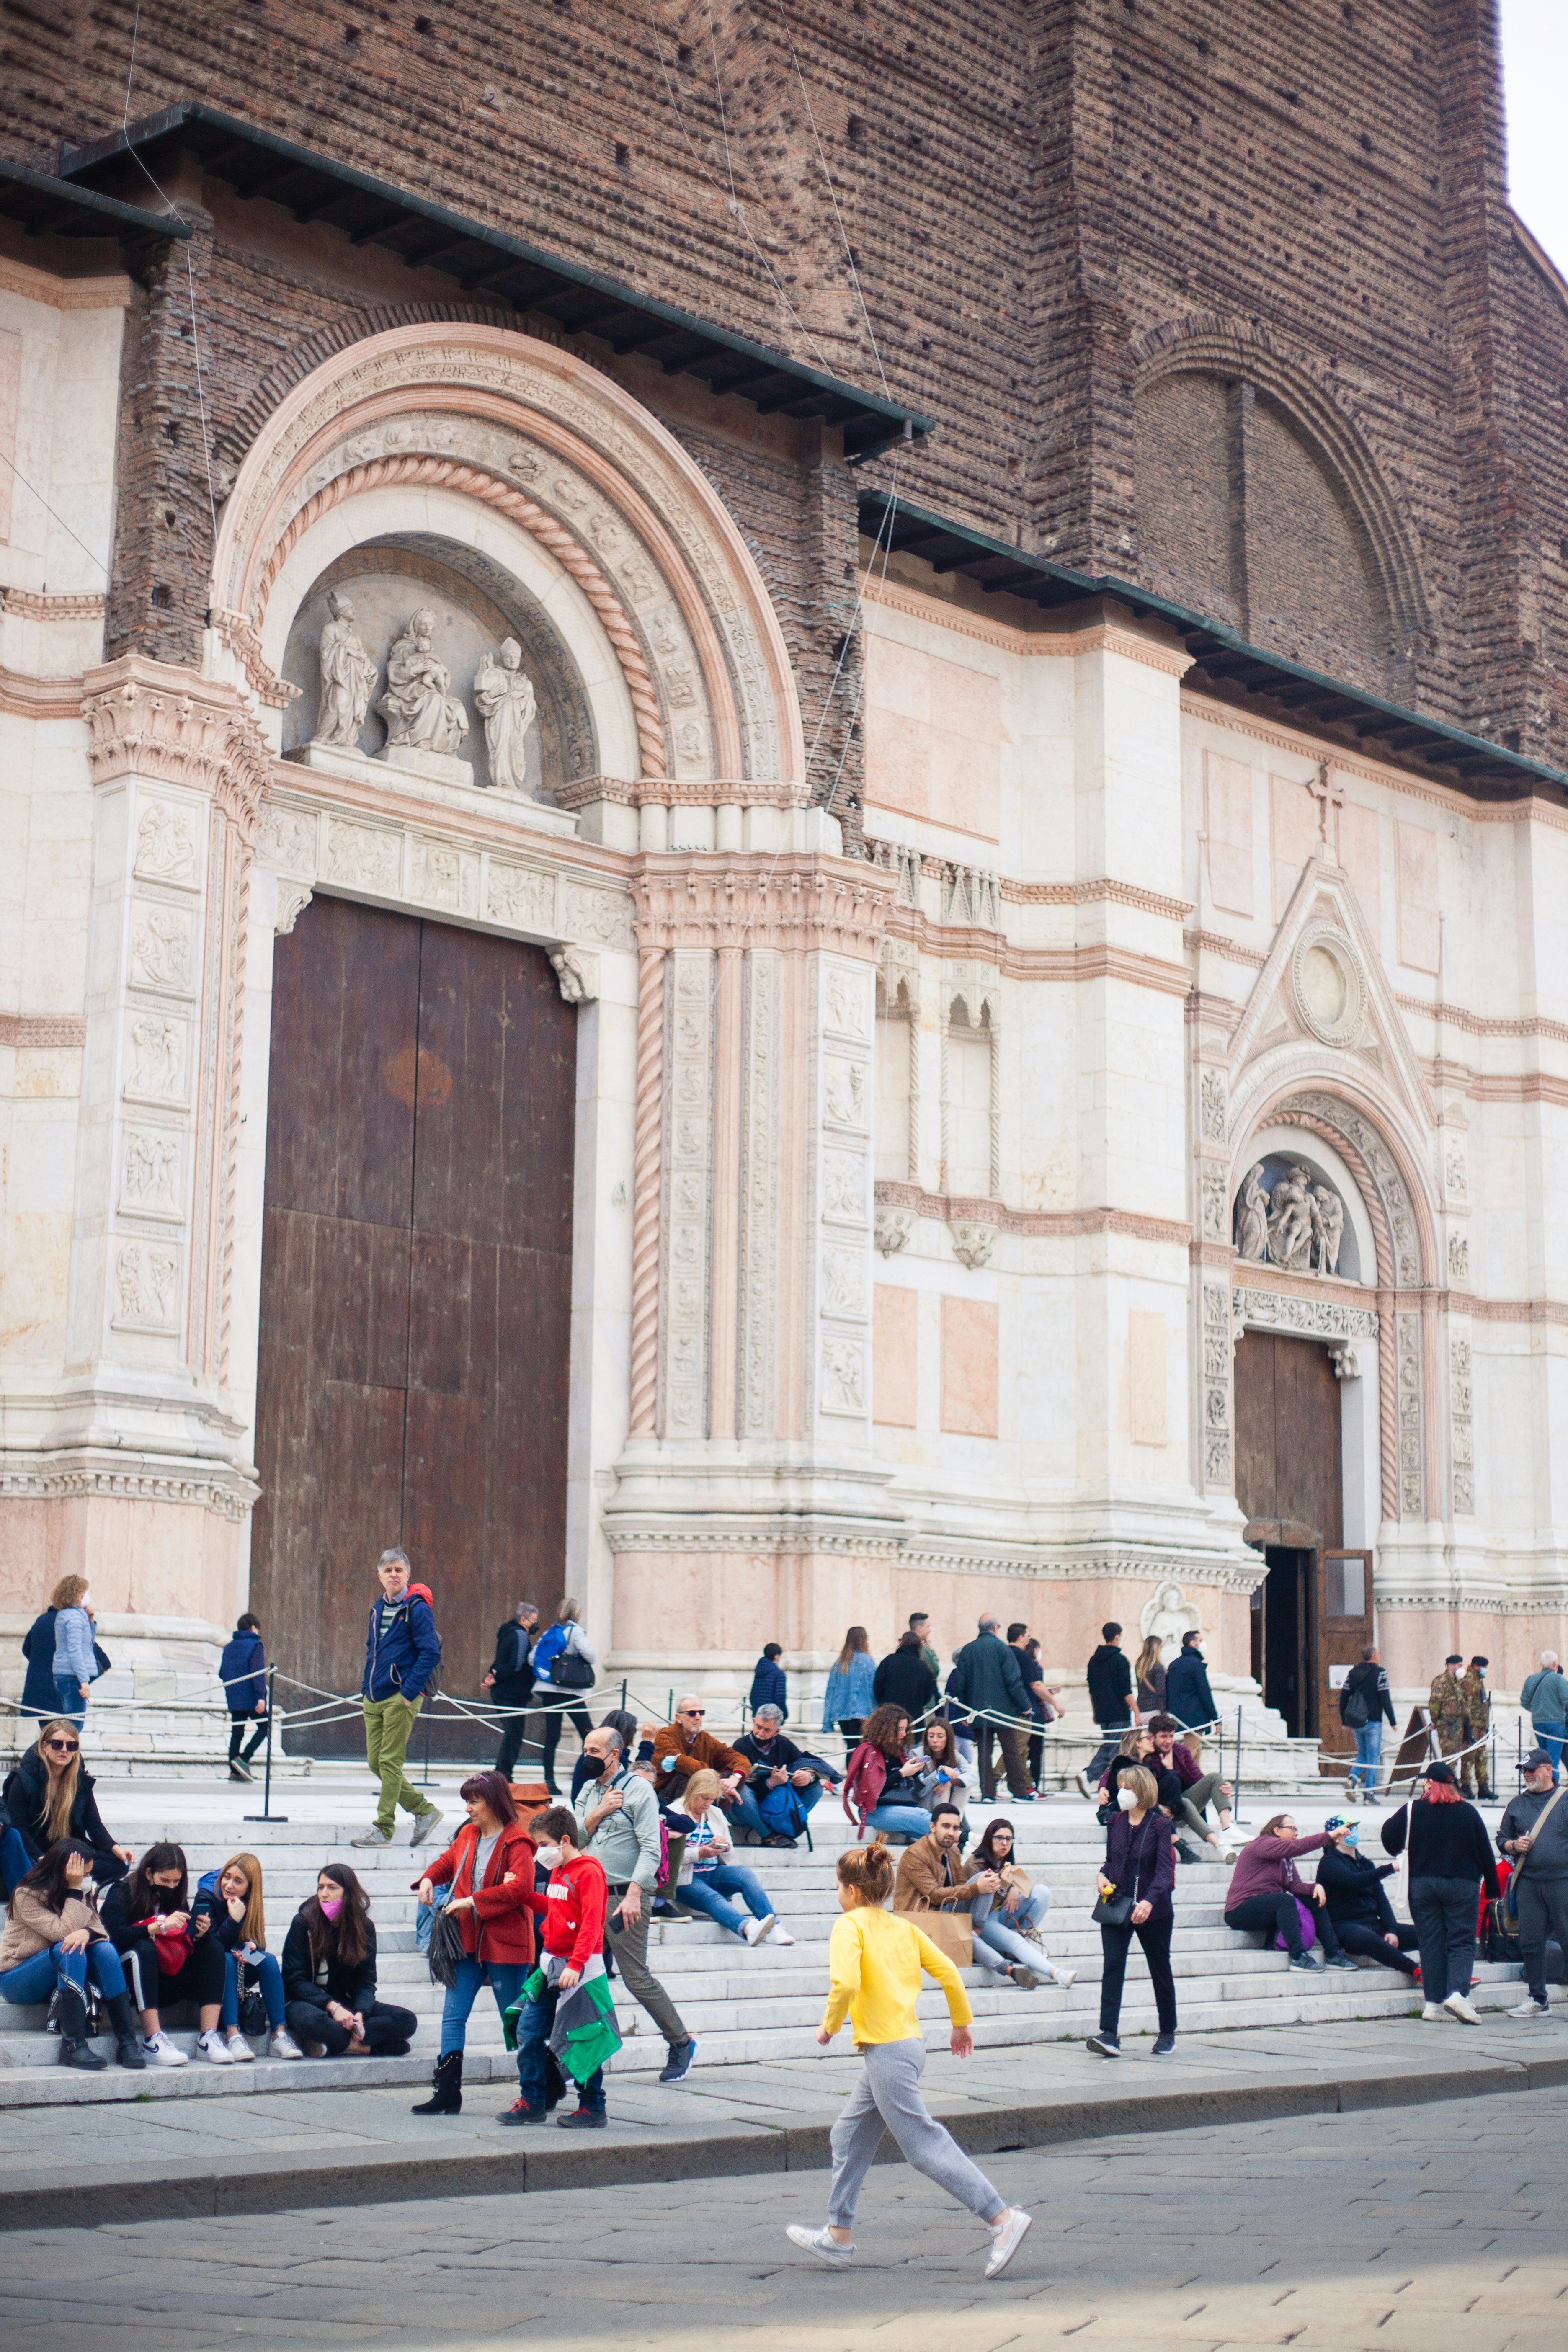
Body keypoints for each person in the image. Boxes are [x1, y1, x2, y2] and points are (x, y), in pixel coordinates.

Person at [786, 1839, 1032, 2278]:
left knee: (922, 2145)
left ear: (853, 1892)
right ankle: (838, 2236)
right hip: (907, 2046)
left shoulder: (849, 1926)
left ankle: (1001, 2218)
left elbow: (843, 1984)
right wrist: (960, 2024)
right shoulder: (903, 1926)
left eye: (838, 1886)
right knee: (848, 2135)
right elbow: (950, 1973)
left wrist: (829, 2026)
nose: (838, 1894)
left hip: (888, 2051)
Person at [570, 1725, 699, 2089]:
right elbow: (576, 1837)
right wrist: (599, 1812)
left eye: (596, 1751)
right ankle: (575, 2054)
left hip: (624, 1896)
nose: (588, 1756)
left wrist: (633, 1895)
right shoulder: (588, 1791)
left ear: (615, 1754)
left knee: (636, 1977)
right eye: (586, 1749)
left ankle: (682, 2043)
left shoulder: (640, 1789)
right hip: (589, 1893)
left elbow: (652, 1848)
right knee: (580, 1974)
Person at [411, 1771, 536, 2116]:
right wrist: (427, 1879)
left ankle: (538, 2090)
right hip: (465, 1940)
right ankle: (448, 2092)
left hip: (505, 1942)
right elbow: (446, 1863)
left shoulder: (518, 1841)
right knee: (453, 2016)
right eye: (466, 1801)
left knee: (515, 2019)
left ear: (494, 1802)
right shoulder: (468, 1834)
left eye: (474, 1801)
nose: (468, 1808)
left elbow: (522, 1889)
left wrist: (472, 1901)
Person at [0, 1839, 144, 2071]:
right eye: (82, 1873)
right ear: (63, 1870)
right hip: (17, 1978)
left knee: (105, 1950)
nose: (87, 1878)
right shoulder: (26, 1895)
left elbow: (101, 1932)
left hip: (60, 1971)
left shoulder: (81, 1889)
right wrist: (75, 1889)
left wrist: (87, 1932)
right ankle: (73, 2045)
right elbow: (63, 1933)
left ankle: (127, 2042)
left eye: (88, 1873)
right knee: (69, 1948)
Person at [512, 1804, 613, 2128]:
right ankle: (533, 2101)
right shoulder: (559, 1872)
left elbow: (592, 1924)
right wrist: (524, 1894)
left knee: (582, 2037)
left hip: (579, 1968)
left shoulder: (590, 1872)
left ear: (564, 1839)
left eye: (542, 1844)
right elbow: (554, 1907)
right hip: (552, 1964)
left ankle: (593, 2106)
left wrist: (577, 1964)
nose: (539, 1852)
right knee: (528, 2031)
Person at [1381, 1761, 1500, 2023]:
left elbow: (1389, 1838)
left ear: (1429, 1783)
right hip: (1462, 1885)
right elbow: (1485, 1853)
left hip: (1423, 1884)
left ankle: (1433, 2005)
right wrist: (1492, 1887)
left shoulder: (1412, 1809)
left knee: (1431, 1943)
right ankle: (1458, 1994)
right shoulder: (1468, 1812)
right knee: (1462, 1942)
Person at [101, 1843, 232, 2066]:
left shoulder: (174, 1897)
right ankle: (153, 2039)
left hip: (167, 1976)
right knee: (144, 1948)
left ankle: (208, 2036)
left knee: (214, 1948)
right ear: (149, 1873)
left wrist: (200, 1932)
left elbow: (186, 1938)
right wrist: (157, 1926)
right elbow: (115, 1937)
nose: (171, 1886)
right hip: (129, 1981)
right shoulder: (122, 1891)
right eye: (165, 1881)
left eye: (176, 1881)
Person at [354, 1547, 443, 1850]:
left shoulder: (417, 1608)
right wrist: (366, 1687)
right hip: (373, 1695)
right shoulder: (377, 1608)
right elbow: (373, 1649)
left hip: (400, 1696)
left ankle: (384, 1829)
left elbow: (431, 1652)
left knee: (390, 1762)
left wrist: (409, 1693)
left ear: (408, 1575)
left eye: (399, 1570)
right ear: (379, 1576)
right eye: (388, 1570)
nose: (394, 1574)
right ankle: (424, 1810)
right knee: (375, 1763)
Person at [1088, 1764, 1179, 2057]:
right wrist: (1102, 1876)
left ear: (1141, 1791)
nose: (1121, 1792)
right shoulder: (1115, 1821)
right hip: (1118, 1905)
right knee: (1113, 1966)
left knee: (1159, 1967)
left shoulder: (1160, 1825)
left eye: (1127, 1787)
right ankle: (1109, 2033)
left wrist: (1151, 1901)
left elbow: (1166, 1871)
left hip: (1154, 1910)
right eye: (1120, 1786)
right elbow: (1111, 1861)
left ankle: (1167, 2032)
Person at [281, 1862, 417, 2057]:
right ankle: (364, 2047)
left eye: (332, 1888)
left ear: (348, 1893)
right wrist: (333, 2008)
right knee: (312, 2021)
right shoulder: (304, 1922)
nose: (324, 1894)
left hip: (346, 2004)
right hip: (305, 2002)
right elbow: (294, 1980)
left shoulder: (364, 1928)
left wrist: (360, 2015)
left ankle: (334, 2042)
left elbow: (366, 1982)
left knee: (407, 2020)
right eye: (321, 1888)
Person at [1, 1718, 134, 1899]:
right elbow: (18, 1828)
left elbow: (93, 1823)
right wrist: (42, 1859)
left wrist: (114, 1846)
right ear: (45, 1747)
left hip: (67, 1851)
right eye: (57, 1744)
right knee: (32, 1869)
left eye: (71, 1746)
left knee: (119, 1864)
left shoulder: (79, 1780)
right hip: (35, 1853)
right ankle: (67, 1883)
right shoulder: (23, 1779)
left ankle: (66, 1882)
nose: (64, 1750)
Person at [192, 1850, 303, 2059]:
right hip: (207, 1970)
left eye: (238, 1881)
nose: (229, 1885)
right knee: (226, 1959)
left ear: (250, 1888)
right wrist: (233, 1921)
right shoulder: (206, 1896)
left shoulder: (248, 1902)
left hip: (236, 1954)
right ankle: (232, 2034)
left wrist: (252, 1945)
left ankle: (279, 2034)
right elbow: (210, 1948)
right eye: (227, 1877)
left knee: (267, 1960)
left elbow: (255, 1938)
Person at [665, 1769, 794, 1944]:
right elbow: (665, 1857)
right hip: (684, 1879)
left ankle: (774, 1927)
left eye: (712, 1799)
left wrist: (724, 1846)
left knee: (744, 1874)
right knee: (713, 1898)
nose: (708, 1803)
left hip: (712, 1872)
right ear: (693, 1791)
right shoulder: (673, 1812)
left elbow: (731, 1853)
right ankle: (747, 1929)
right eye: (705, 1798)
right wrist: (698, 1854)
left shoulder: (715, 1813)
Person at [1223, 1813, 1357, 1973]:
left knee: (1312, 1899)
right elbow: (1296, 1848)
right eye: (1292, 1829)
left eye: (1297, 1829)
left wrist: (1314, 1888)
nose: (1296, 1833)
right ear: (1277, 1831)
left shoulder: (1284, 1858)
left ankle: (1334, 1954)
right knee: (1284, 1900)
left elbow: (1294, 1885)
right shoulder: (1263, 1844)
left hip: (1267, 1908)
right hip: (1240, 1910)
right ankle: (1299, 1957)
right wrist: (1329, 1836)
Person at [1496, 1749, 1568, 2019]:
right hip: (1528, 1882)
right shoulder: (1517, 1804)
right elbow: (1501, 1839)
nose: (1527, 1775)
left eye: (1532, 1769)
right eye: (1524, 1770)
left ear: (1548, 1770)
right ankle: (1538, 1998)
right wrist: (1513, 1845)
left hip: (1563, 1882)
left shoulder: (1565, 1799)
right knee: (1531, 1941)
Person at [970, 1816, 1076, 1988]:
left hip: (1001, 1914)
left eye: (1009, 1839)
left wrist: (1014, 1888)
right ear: (989, 1839)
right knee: (1014, 1941)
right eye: (999, 1838)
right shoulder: (975, 1864)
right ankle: (1057, 1973)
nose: (1004, 1843)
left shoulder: (1005, 1862)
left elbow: (1026, 1885)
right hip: (982, 1922)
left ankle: (1023, 1934)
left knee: (1042, 1892)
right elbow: (980, 1907)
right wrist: (1004, 1888)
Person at [1312, 1815, 1420, 1977]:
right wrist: (1390, 1868)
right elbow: (1354, 1881)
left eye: (1354, 1829)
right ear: (1335, 1837)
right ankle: (1416, 1971)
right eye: (1348, 1829)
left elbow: (1382, 1901)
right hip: (1345, 1928)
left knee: (1428, 1934)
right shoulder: (1329, 1863)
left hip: (1372, 1924)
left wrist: (1391, 1930)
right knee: (1369, 1938)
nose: (1353, 1833)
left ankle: (1449, 1975)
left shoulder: (1366, 1864)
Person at [949, 1614, 1034, 1802]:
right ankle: (1019, 1792)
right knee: (1011, 1750)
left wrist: (963, 1712)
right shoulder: (1003, 1649)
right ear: (995, 1628)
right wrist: (1025, 1706)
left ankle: (988, 1793)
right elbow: (1013, 1681)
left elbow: (960, 1684)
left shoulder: (968, 1651)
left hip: (977, 1711)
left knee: (984, 1752)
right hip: (1003, 1711)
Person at [731, 1705, 841, 1845]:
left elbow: (803, 1760)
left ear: (777, 1732)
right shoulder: (741, 1746)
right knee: (742, 1792)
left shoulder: (783, 1744)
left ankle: (786, 1829)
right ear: (754, 1721)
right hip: (748, 1809)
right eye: (758, 1727)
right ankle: (767, 1834)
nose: (760, 1733)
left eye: (767, 1730)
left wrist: (808, 1775)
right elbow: (738, 1782)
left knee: (815, 1789)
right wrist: (770, 1783)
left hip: (775, 1803)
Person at [530, 1599, 598, 1794]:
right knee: (589, 1735)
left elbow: (532, 1659)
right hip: (570, 1691)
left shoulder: (551, 1632)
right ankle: (592, 1777)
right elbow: (592, 1656)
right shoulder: (576, 1632)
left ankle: (549, 1781)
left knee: (552, 1736)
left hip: (549, 1690)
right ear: (577, 1614)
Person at [843, 1705, 939, 1841]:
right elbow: (873, 1792)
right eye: (900, 1730)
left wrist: (915, 1771)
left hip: (899, 1808)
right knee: (923, 1818)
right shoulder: (869, 1752)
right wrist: (902, 1773)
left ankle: (960, 1847)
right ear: (887, 1729)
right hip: (874, 1811)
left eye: (906, 1730)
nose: (904, 1734)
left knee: (932, 1839)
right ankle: (965, 1837)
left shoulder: (898, 1752)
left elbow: (912, 1789)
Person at [1145, 1715, 1235, 1857]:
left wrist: (1223, 1788)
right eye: (1163, 1737)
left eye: (1171, 1736)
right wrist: (1168, 1770)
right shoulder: (1146, 1754)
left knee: (1215, 1778)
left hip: (1180, 1808)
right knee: (1185, 1802)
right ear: (1152, 1736)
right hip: (1158, 1812)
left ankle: (1228, 1828)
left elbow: (1199, 1780)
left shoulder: (1181, 1751)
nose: (1169, 1741)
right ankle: (1220, 1845)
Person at [650, 1696, 750, 1821]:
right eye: (692, 1713)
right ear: (678, 1718)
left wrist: (735, 1778)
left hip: (700, 1792)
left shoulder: (705, 1739)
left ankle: (712, 1821)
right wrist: (716, 1782)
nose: (698, 1717)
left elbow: (740, 1759)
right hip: (669, 1795)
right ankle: (685, 1820)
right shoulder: (665, 1736)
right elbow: (683, 1763)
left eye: (701, 1713)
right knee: (688, 1774)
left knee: (736, 1775)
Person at [481, 1601, 539, 1785]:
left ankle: (502, 1773)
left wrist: (492, 1678)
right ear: (523, 1620)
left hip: (504, 1693)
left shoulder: (507, 1633)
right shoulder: (521, 1634)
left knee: (511, 1734)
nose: (536, 1625)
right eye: (534, 1621)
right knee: (514, 1735)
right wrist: (496, 1679)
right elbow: (516, 1664)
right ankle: (504, 1775)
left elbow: (500, 1661)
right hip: (512, 1694)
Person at [1078, 1622, 1134, 1797]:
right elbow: (1126, 1689)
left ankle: (1091, 1777)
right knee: (1116, 1749)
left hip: (1103, 1711)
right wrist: (1137, 1711)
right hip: (1119, 1711)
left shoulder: (1094, 1661)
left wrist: (1095, 1711)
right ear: (1117, 1637)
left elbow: (1092, 1688)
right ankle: (1097, 1779)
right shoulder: (1121, 1660)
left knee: (1110, 1746)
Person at [1339, 1643, 1397, 1803]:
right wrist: (1393, 1722)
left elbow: (1344, 1696)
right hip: (1373, 1721)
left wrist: (1344, 1720)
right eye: (1378, 1654)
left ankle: (1353, 1778)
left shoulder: (1353, 1673)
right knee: (1373, 1757)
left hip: (1357, 1722)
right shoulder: (1381, 1673)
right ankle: (1369, 1794)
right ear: (1375, 1656)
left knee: (1363, 1754)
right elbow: (1385, 1698)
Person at [219, 1613, 269, 1784]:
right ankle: (244, 1759)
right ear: (253, 1628)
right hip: (251, 1698)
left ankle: (234, 1772)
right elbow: (258, 1674)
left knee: (237, 1733)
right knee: (266, 1726)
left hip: (234, 1698)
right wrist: (261, 1697)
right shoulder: (255, 1646)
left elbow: (222, 1673)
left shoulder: (229, 1647)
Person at [48, 1573, 97, 1728]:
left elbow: (86, 1643)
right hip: (72, 1678)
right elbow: (75, 1651)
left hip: (64, 1675)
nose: (86, 1595)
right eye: (83, 1592)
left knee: (68, 1726)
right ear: (76, 1594)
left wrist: (91, 1621)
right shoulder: (74, 1617)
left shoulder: (68, 1615)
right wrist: (84, 1681)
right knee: (74, 1728)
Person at [1164, 1629, 1218, 1760]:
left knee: (1196, 1752)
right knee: (1190, 1754)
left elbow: (1168, 1691)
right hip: (1195, 1717)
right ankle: (1182, 1779)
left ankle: (1197, 1780)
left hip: (1178, 1715)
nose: (1203, 1643)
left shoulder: (1174, 1665)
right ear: (1193, 1644)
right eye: (1200, 1641)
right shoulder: (1197, 1665)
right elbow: (1204, 1692)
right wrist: (1215, 1718)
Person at [569, 1709, 642, 1804]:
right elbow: (640, 1776)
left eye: (594, 1751)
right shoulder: (609, 1757)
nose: (589, 1754)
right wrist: (647, 1742)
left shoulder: (610, 1757)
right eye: (587, 1750)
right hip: (592, 1804)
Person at [910, 1716, 971, 1827]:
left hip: (945, 1802)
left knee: (963, 1785)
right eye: (931, 1736)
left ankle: (954, 1822)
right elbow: (920, 1791)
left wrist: (950, 1783)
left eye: (940, 1736)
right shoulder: (917, 1755)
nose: (935, 1741)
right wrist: (940, 1773)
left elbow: (973, 1776)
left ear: (948, 1738)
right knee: (942, 1783)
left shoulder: (953, 1754)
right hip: (923, 1805)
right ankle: (944, 1825)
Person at [822, 1625, 877, 1746]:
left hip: (842, 1713)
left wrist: (827, 1721)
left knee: (851, 1747)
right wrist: (875, 1712)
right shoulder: (867, 1661)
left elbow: (830, 1692)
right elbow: (872, 1689)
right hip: (863, 1714)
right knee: (860, 1749)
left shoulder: (839, 1663)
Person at [1519, 1651, 1568, 1781]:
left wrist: (1538, 1710)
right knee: (1552, 1760)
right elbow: (1567, 1701)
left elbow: (1524, 1702)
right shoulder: (1559, 1679)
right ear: (1555, 1664)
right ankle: (1552, 1787)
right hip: (1556, 1723)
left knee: (1544, 1757)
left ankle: (1544, 1785)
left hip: (1538, 1723)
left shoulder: (1531, 1679)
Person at [873, 1629, 939, 1720]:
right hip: (914, 1716)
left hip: (889, 1715)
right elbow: (928, 1693)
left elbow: (878, 1685)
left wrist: (884, 1703)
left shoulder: (889, 1661)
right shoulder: (923, 1667)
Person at [18, 1599, 60, 1721]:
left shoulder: (42, 1620)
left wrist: (41, 1664)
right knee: (64, 1735)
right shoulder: (71, 1622)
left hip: (39, 1690)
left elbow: (26, 1649)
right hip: (62, 1693)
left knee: (49, 1734)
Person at [1458, 1658, 1493, 1800]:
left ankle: (1483, 1786)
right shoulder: (1469, 1682)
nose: (1486, 1669)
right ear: (1476, 1666)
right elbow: (1467, 1707)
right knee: (1468, 1758)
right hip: (1472, 1726)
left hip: (1481, 1727)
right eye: (1484, 1666)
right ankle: (1466, 1786)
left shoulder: (1478, 1681)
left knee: (1482, 1758)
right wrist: (1468, 1727)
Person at [1427, 1653, 1467, 1774]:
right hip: (1447, 1725)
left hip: (1458, 1726)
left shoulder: (1457, 1683)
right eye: (1459, 1665)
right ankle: (1449, 1785)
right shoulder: (1441, 1681)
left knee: (1455, 1756)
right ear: (1451, 1666)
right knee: (1449, 1756)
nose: (1461, 1668)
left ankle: (1453, 1783)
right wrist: (1434, 1720)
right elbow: (1435, 1703)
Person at [748, 1642, 788, 1721]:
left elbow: (753, 1694)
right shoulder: (779, 1674)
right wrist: (784, 1714)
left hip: (758, 1714)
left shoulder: (759, 1670)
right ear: (777, 1656)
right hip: (771, 1716)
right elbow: (780, 1698)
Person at [1133, 1633, 1167, 1720]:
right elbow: (1161, 1692)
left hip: (1142, 1710)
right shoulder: (1158, 1667)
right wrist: (1164, 1712)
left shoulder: (1139, 1666)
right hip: (1155, 1710)